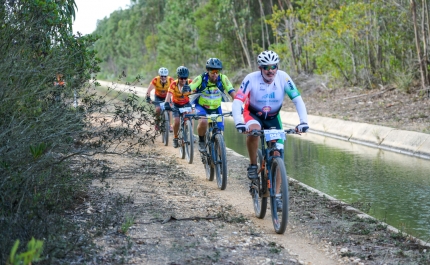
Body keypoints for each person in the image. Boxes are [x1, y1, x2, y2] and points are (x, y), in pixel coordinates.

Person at [232, 50, 309, 211]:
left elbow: (297, 100)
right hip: (253, 114)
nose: (270, 70)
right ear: (260, 68)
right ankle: (253, 165)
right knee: (254, 131)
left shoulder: (284, 77)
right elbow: (238, 101)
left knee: (278, 154)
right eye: (266, 67)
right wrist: (239, 122)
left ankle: (278, 195)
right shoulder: (251, 79)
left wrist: (303, 122)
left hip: (273, 117)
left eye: (274, 66)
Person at [189, 58, 237, 152]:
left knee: (218, 131)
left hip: (216, 108)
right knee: (203, 121)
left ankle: (218, 157)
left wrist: (238, 104)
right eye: (212, 71)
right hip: (202, 106)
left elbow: (232, 92)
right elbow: (191, 86)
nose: (215, 74)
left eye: (217, 71)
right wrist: (186, 89)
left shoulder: (223, 78)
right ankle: (202, 141)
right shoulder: (201, 78)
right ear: (207, 70)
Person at [164, 66, 193, 148]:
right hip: (176, 104)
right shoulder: (174, 84)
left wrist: (191, 91)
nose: (183, 80)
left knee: (191, 116)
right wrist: (166, 103)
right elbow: (169, 95)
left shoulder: (190, 82)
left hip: (186, 103)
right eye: (181, 78)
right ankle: (175, 138)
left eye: (185, 78)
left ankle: (191, 134)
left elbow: (196, 91)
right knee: (176, 121)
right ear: (178, 77)